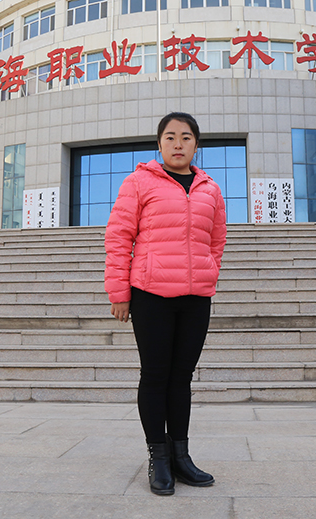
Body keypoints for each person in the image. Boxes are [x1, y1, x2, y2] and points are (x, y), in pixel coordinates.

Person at [104, 112, 227, 496]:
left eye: (186, 137)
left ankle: (181, 456)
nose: (178, 144)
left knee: (182, 377)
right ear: (159, 144)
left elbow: (217, 240)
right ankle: (158, 457)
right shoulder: (139, 182)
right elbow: (119, 237)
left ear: (196, 145)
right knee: (156, 375)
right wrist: (119, 292)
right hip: (151, 294)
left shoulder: (210, 189)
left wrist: (208, 271)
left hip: (195, 298)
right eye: (170, 137)